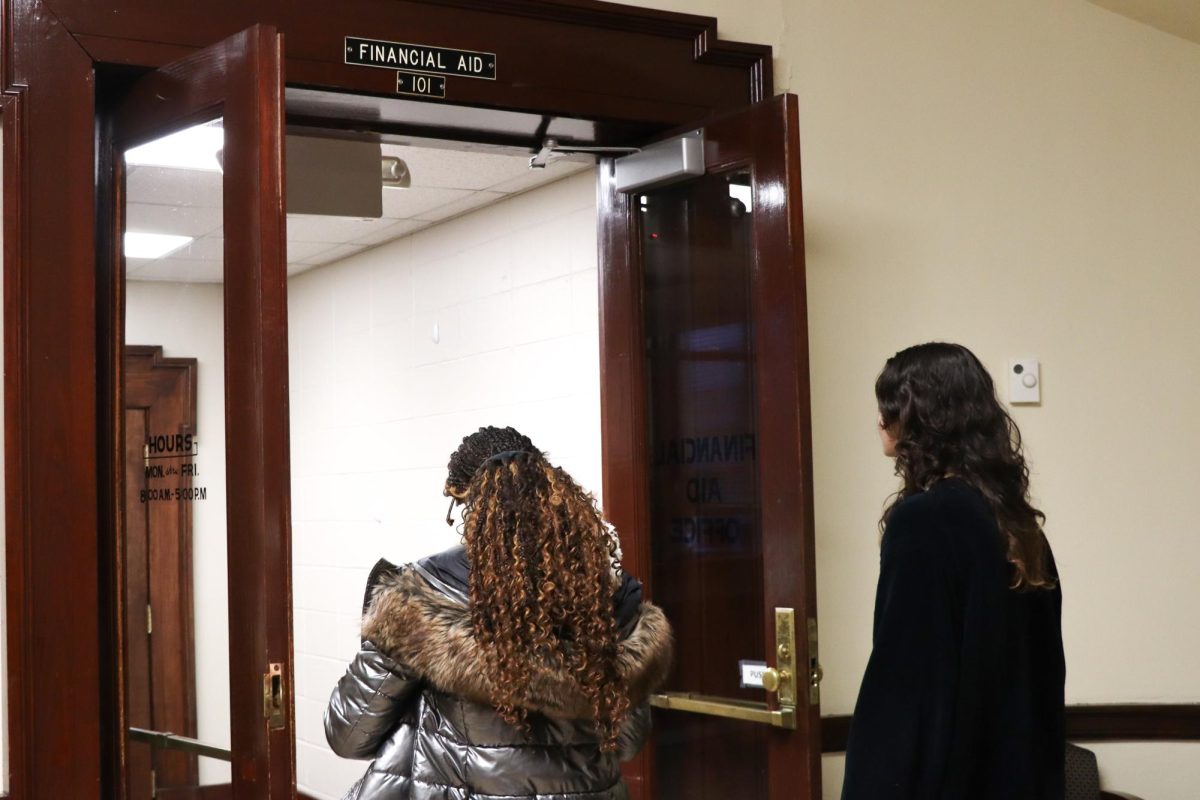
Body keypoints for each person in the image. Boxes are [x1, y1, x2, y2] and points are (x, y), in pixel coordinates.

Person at [325, 426, 673, 800]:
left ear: (470, 505)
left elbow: (348, 735)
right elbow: (627, 744)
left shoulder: (422, 600)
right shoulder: (609, 606)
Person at [842, 343, 1066, 799]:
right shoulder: (1021, 529)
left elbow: (904, 690)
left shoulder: (923, 521)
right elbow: (1044, 684)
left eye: (888, 405)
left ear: (918, 415)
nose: (878, 421)